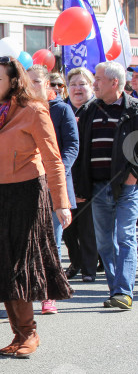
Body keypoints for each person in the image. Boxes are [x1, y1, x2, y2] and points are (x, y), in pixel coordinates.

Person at [0, 56, 73, 358]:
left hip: (27, 195)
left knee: (18, 266)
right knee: (1, 265)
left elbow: (53, 160)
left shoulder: (34, 111)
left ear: (14, 81)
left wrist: (62, 203)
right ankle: (19, 334)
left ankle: (29, 333)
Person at [76, 61, 138, 310]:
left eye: (98, 79)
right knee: (104, 242)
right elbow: (79, 150)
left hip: (127, 187)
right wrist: (80, 187)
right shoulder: (88, 110)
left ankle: (123, 291)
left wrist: (134, 175)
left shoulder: (134, 110)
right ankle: (116, 290)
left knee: (126, 236)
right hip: (98, 187)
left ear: (114, 82)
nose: (94, 83)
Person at [28, 64, 79, 315]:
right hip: (27, 184)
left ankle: (50, 295)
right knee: (28, 241)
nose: (32, 86)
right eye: (28, 82)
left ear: (48, 84)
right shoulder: (20, 110)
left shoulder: (62, 110)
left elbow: (71, 147)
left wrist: (54, 171)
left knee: (52, 241)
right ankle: (27, 291)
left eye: (37, 82)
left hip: (54, 184)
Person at [63, 67, 98, 282]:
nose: (77, 88)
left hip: (91, 177)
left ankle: (89, 268)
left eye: (82, 84)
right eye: (73, 84)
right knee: (67, 229)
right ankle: (75, 262)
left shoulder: (96, 110)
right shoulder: (61, 110)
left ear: (91, 86)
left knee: (88, 228)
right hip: (66, 177)